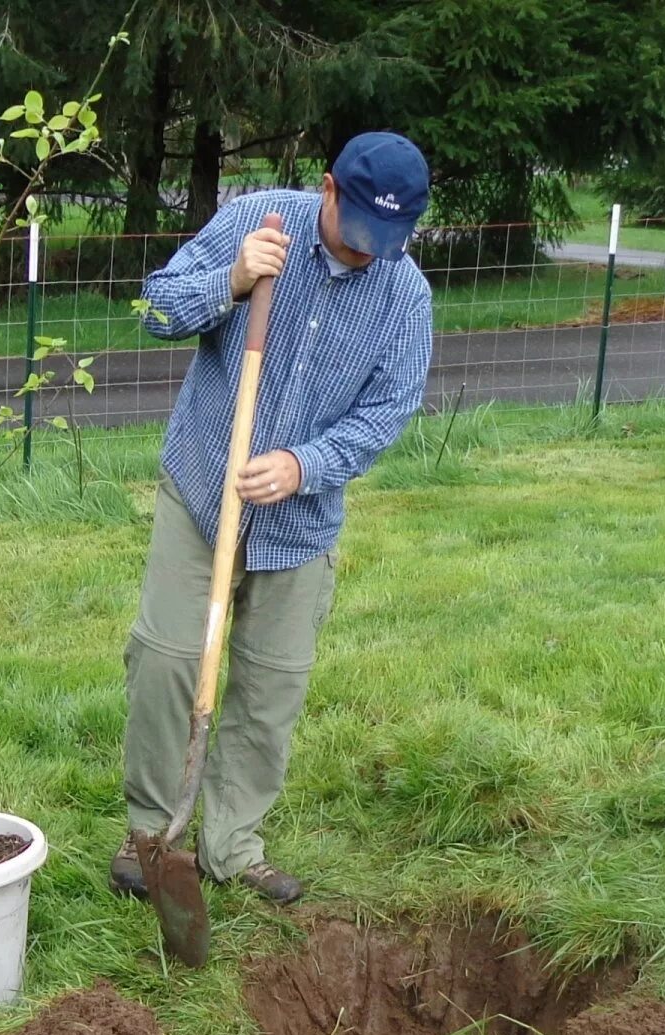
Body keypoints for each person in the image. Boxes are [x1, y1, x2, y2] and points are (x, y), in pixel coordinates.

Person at [111, 131, 433, 904]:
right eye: (359, 232)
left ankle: (230, 845)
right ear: (328, 188)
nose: (368, 253)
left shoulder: (404, 294)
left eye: (386, 241)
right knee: (167, 656)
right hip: (202, 488)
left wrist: (303, 465)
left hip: (300, 523)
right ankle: (152, 835)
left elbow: (388, 410)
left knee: (271, 684)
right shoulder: (259, 221)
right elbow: (155, 306)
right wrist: (230, 279)